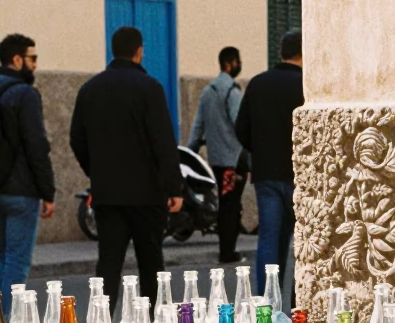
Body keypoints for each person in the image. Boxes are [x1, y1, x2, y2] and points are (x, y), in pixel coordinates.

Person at [70, 26, 183, 301]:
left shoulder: (90, 89)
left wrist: (96, 172)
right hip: (147, 195)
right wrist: (174, 187)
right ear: (139, 52)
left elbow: (77, 139)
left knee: (108, 264)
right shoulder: (150, 89)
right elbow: (163, 142)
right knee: (151, 265)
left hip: (108, 195)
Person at [0, 33, 55, 316]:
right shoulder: (25, 95)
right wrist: (47, 192)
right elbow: (37, 145)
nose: (35, 65)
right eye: (32, 59)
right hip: (21, 191)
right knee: (17, 261)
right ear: (17, 60)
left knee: (3, 255)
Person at [236, 30, 304, 295]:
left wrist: (261, 150)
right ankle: (301, 307)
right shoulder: (306, 85)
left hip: (266, 175)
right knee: (302, 243)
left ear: (281, 53)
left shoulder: (258, 84)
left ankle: (266, 304)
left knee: (269, 240)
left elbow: (241, 129)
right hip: (299, 175)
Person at [188, 46, 247, 264]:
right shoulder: (232, 91)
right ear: (230, 63)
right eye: (238, 61)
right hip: (233, 161)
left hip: (217, 160)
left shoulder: (207, 91)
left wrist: (190, 151)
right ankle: (228, 251)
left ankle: (226, 249)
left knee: (225, 203)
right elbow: (240, 124)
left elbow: (198, 126)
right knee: (231, 206)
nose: (239, 65)